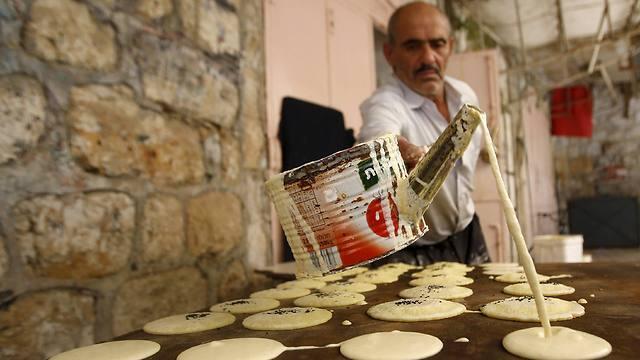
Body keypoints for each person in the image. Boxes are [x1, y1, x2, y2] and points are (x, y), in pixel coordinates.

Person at [359, 1, 490, 265]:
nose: (429, 58)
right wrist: (397, 150)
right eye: (412, 46)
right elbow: (377, 140)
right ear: (389, 53)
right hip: (412, 251)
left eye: (437, 44)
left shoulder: (464, 95)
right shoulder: (386, 103)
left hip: (468, 230)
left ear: (450, 46)